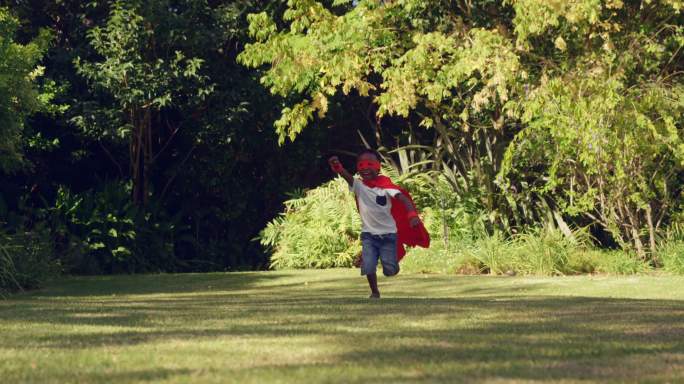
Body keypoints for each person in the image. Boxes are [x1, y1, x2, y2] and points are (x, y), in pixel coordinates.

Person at [328, 149, 429, 299]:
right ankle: (375, 292)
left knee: (390, 270)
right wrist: (339, 168)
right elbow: (347, 177)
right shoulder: (359, 186)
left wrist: (412, 214)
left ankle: (391, 265)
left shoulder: (386, 186)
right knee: (368, 265)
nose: (365, 168)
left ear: (378, 167)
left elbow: (403, 198)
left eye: (370, 164)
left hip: (389, 234)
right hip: (369, 234)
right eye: (361, 165)